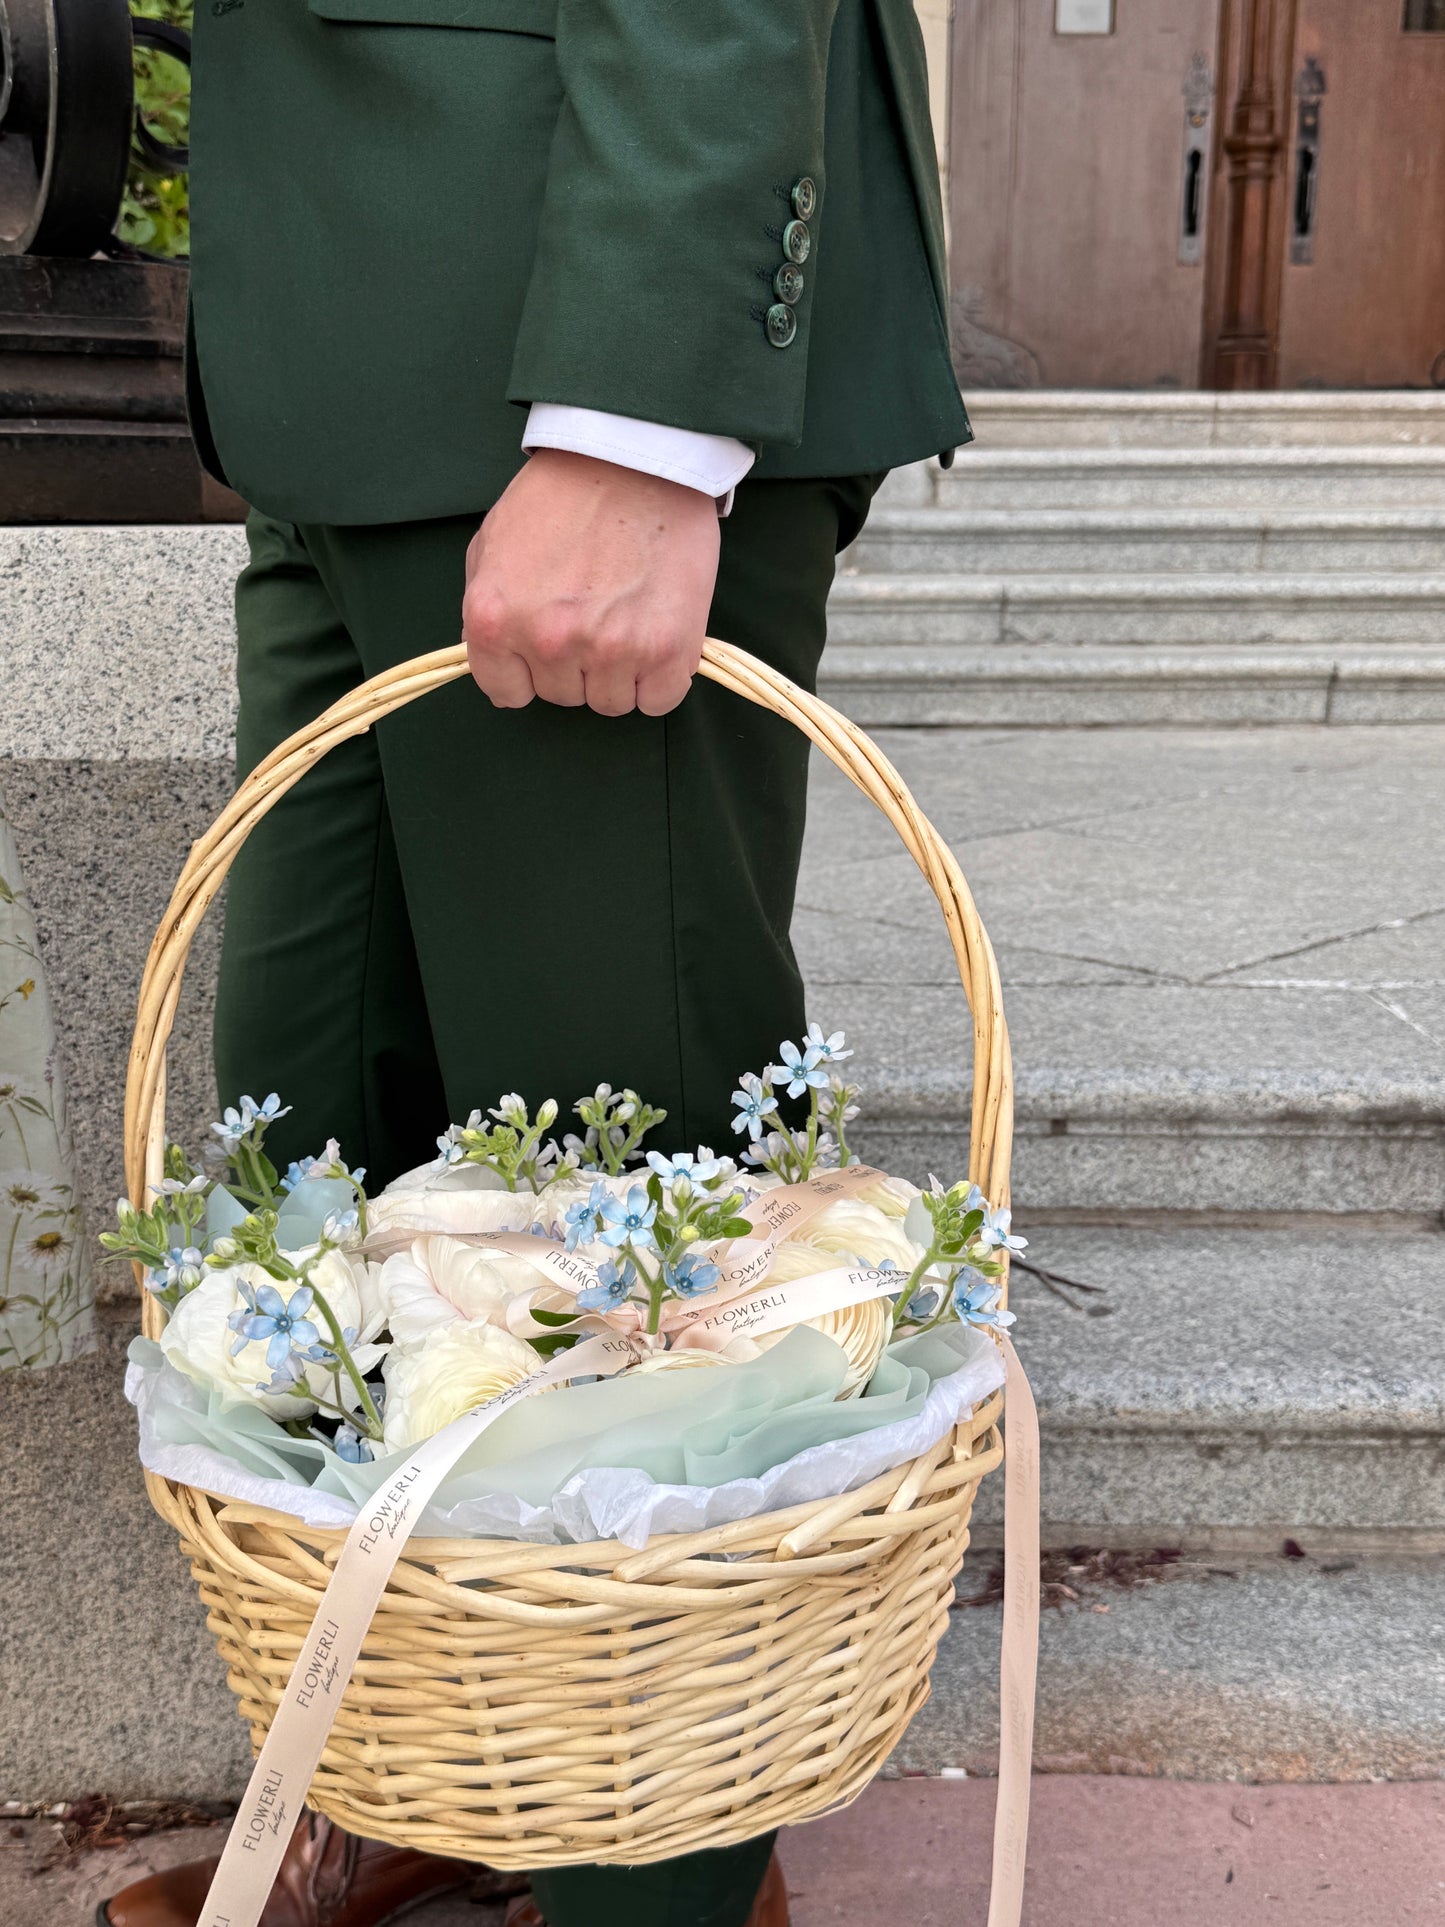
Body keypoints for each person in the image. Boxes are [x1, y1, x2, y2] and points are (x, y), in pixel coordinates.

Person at [102, 0, 968, 1922]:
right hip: (365, 350)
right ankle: (446, 1774)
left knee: (623, 1255)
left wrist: (637, 417)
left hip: (548, 346)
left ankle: (655, 1877)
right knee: (324, 1180)